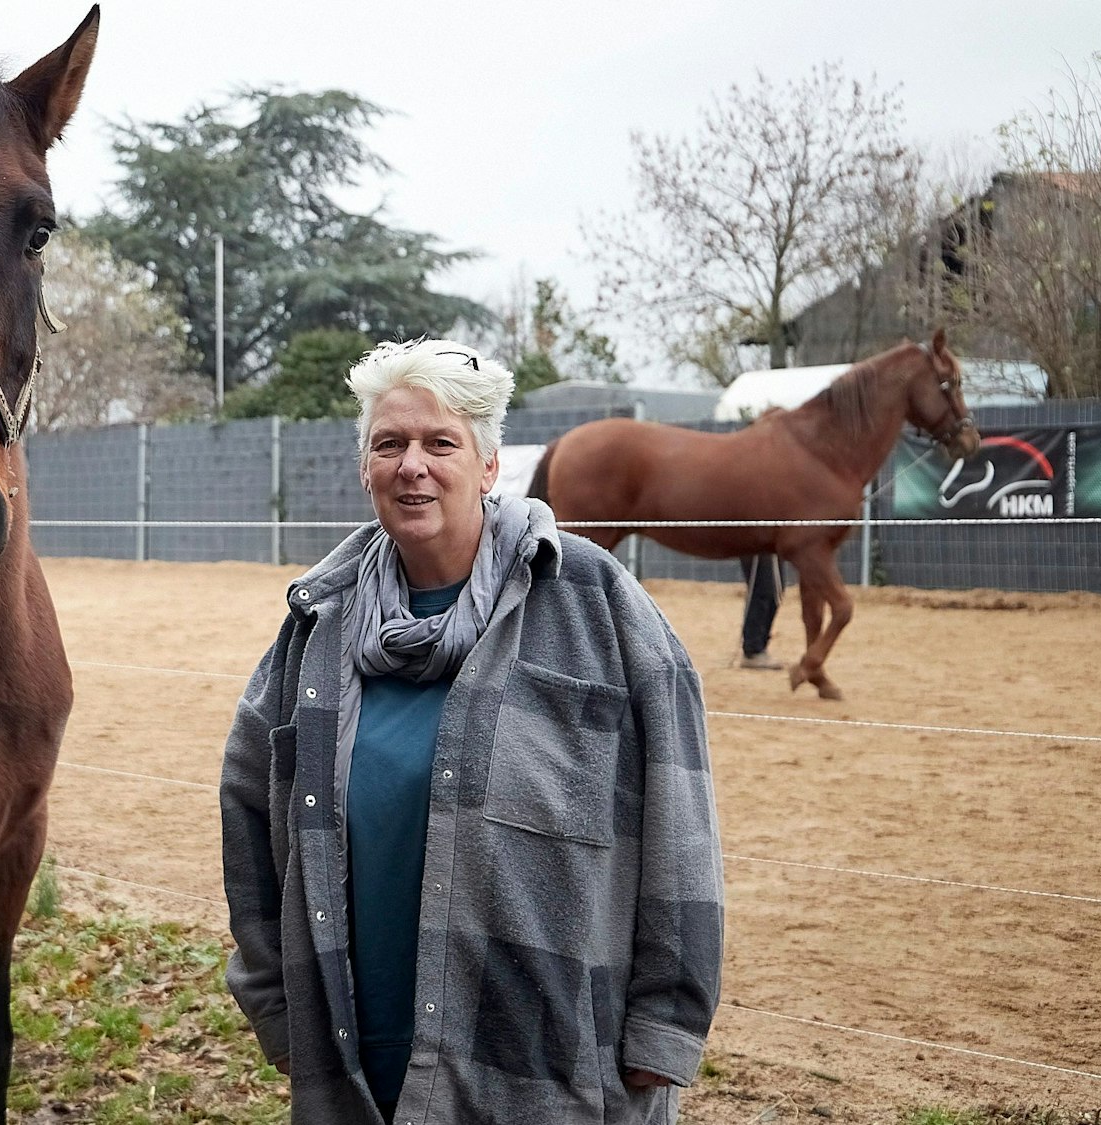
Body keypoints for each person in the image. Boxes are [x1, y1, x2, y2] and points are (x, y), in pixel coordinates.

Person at [219, 339, 724, 1124]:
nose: (411, 465)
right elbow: (250, 811)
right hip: (360, 1064)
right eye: (389, 444)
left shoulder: (596, 604)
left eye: (439, 442)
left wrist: (666, 1023)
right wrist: (277, 1004)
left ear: (489, 466)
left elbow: (681, 822)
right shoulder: (317, 624)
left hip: (551, 1063)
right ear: (366, 467)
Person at [738, 552, 784, 669]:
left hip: (768, 544)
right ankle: (753, 649)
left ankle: (758, 646)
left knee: (775, 590)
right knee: (764, 588)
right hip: (758, 544)